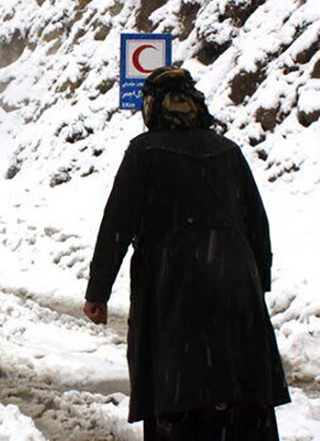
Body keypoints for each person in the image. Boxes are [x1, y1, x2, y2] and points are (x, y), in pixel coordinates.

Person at [83, 67, 289, 439]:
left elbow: (117, 223)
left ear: (153, 108)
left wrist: (98, 291)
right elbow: (258, 223)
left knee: (179, 391)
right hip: (236, 283)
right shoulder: (228, 150)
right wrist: (257, 280)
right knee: (241, 388)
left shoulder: (145, 152)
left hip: (173, 286)